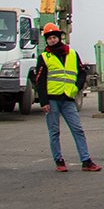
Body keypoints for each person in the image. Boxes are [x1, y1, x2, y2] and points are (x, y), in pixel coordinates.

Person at [29, 24, 100, 173]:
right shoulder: (44, 57)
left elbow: (81, 73)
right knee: (54, 132)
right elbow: (40, 81)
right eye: (49, 38)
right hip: (52, 100)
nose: (52, 40)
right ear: (46, 41)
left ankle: (86, 161)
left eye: (54, 37)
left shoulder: (72, 54)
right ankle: (59, 161)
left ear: (59, 38)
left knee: (78, 130)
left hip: (68, 99)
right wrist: (44, 102)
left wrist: (76, 88)